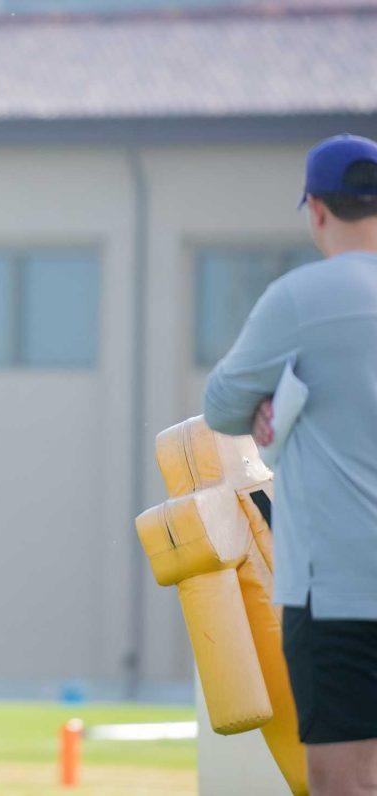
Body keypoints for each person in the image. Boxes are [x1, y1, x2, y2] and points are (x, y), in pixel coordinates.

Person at [203, 133, 377, 795]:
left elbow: (221, 406)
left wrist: (271, 404)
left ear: (316, 209)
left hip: (337, 589)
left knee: (343, 782)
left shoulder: (300, 299)